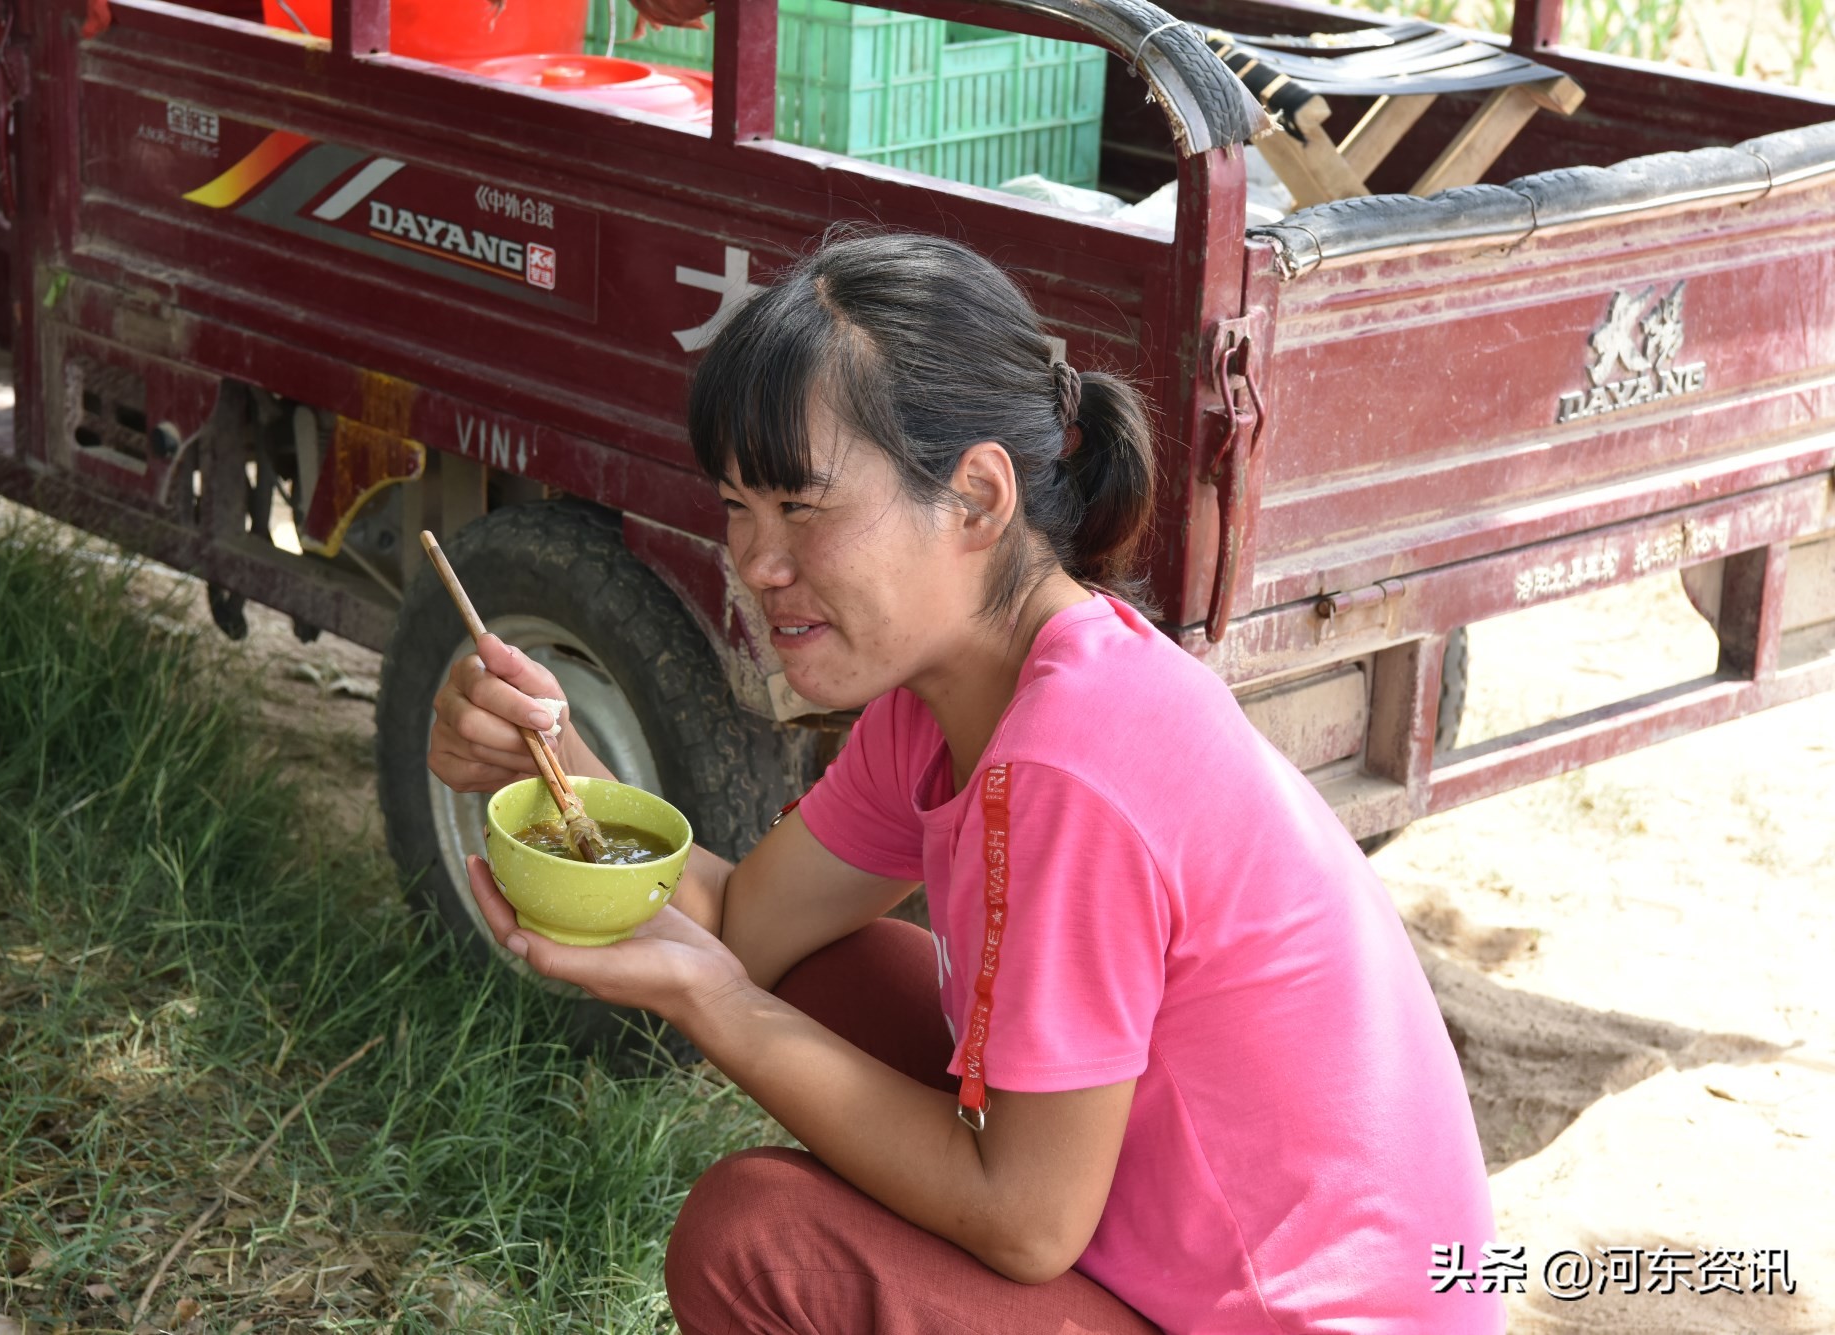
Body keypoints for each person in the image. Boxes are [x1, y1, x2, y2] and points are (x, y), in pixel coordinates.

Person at [427, 231, 1501, 1334]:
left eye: (802, 508)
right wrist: (562, 778)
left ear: (978, 500)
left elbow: (1025, 1222)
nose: (754, 561)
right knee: (833, 968)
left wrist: (716, 1006)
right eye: (737, 507)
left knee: (756, 1242)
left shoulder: (1069, 761)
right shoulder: (955, 694)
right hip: (1167, 1261)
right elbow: (746, 924)